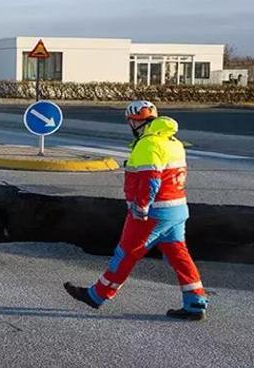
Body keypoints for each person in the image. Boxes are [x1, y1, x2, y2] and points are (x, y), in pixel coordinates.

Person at [64, 100, 208, 321]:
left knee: (126, 254)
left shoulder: (148, 144)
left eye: (130, 121)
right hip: (177, 208)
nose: (130, 124)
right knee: (179, 255)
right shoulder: (172, 142)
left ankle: (97, 295)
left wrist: (141, 207)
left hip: (154, 212)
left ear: (135, 122)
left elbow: (150, 180)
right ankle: (195, 302)